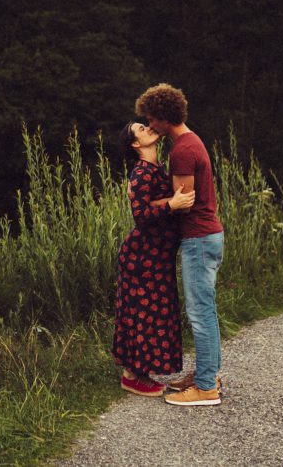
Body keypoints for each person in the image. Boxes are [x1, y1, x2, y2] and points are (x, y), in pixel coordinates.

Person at [135, 83, 225, 407]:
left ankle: (205, 388)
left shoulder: (183, 150)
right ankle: (207, 374)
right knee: (206, 309)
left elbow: (183, 202)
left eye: (149, 119)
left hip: (199, 239)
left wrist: (146, 202)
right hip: (205, 237)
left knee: (200, 312)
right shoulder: (190, 141)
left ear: (162, 117)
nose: (149, 125)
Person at [113, 120, 194, 397]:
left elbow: (150, 203)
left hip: (156, 257)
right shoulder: (141, 173)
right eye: (141, 129)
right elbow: (141, 217)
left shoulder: (154, 169)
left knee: (155, 315)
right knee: (143, 316)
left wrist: (166, 202)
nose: (148, 128)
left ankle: (139, 373)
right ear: (136, 144)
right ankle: (132, 376)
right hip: (142, 258)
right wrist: (172, 204)